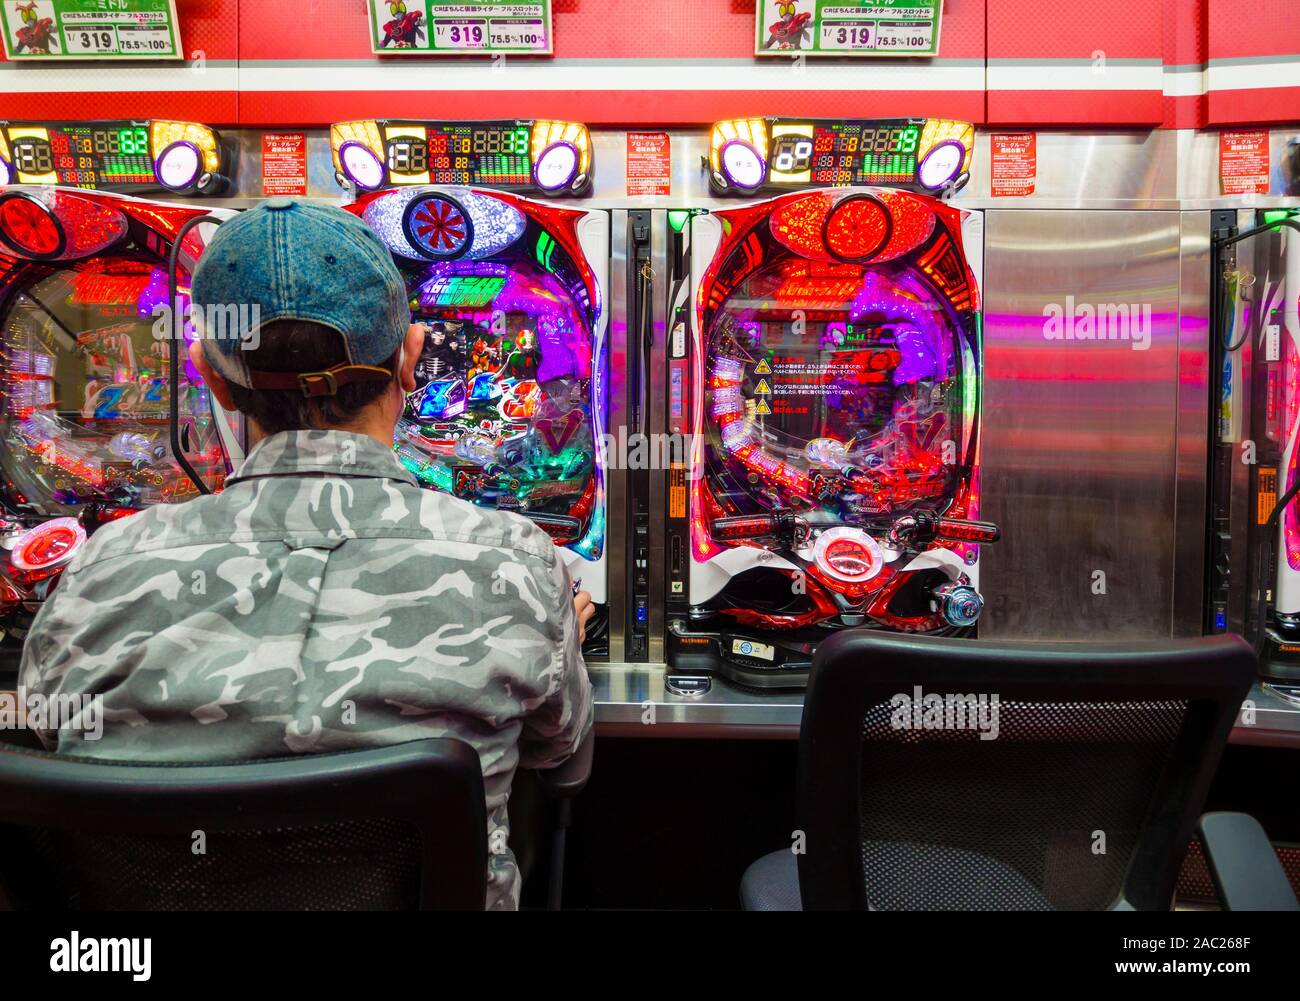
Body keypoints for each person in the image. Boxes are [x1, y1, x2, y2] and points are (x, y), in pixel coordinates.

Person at [19, 198, 594, 911]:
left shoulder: (97, 574)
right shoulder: (515, 564)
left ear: (212, 375)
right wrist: (556, 625)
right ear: (410, 360)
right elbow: (565, 761)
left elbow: (37, 744)